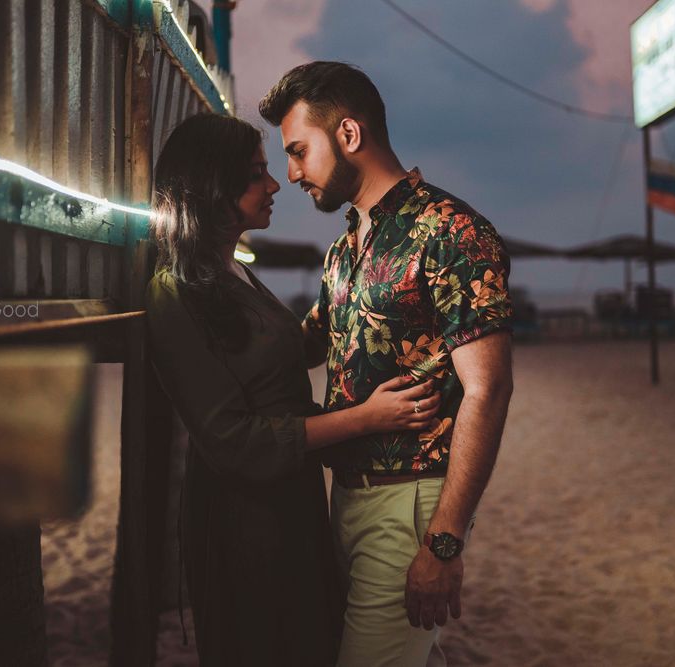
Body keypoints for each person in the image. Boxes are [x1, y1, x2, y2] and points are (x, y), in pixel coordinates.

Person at [145, 113, 442, 667]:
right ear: (213, 185)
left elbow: (284, 358)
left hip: (292, 499)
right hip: (244, 522)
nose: (275, 183)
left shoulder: (232, 273)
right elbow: (233, 440)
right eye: (257, 173)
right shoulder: (175, 292)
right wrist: (368, 419)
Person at [260, 62, 515, 666]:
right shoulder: (345, 247)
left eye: (299, 151)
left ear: (349, 135)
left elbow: (489, 390)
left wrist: (445, 543)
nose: (291, 173)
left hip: (413, 506)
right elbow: (307, 343)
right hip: (346, 500)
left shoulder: (451, 232)